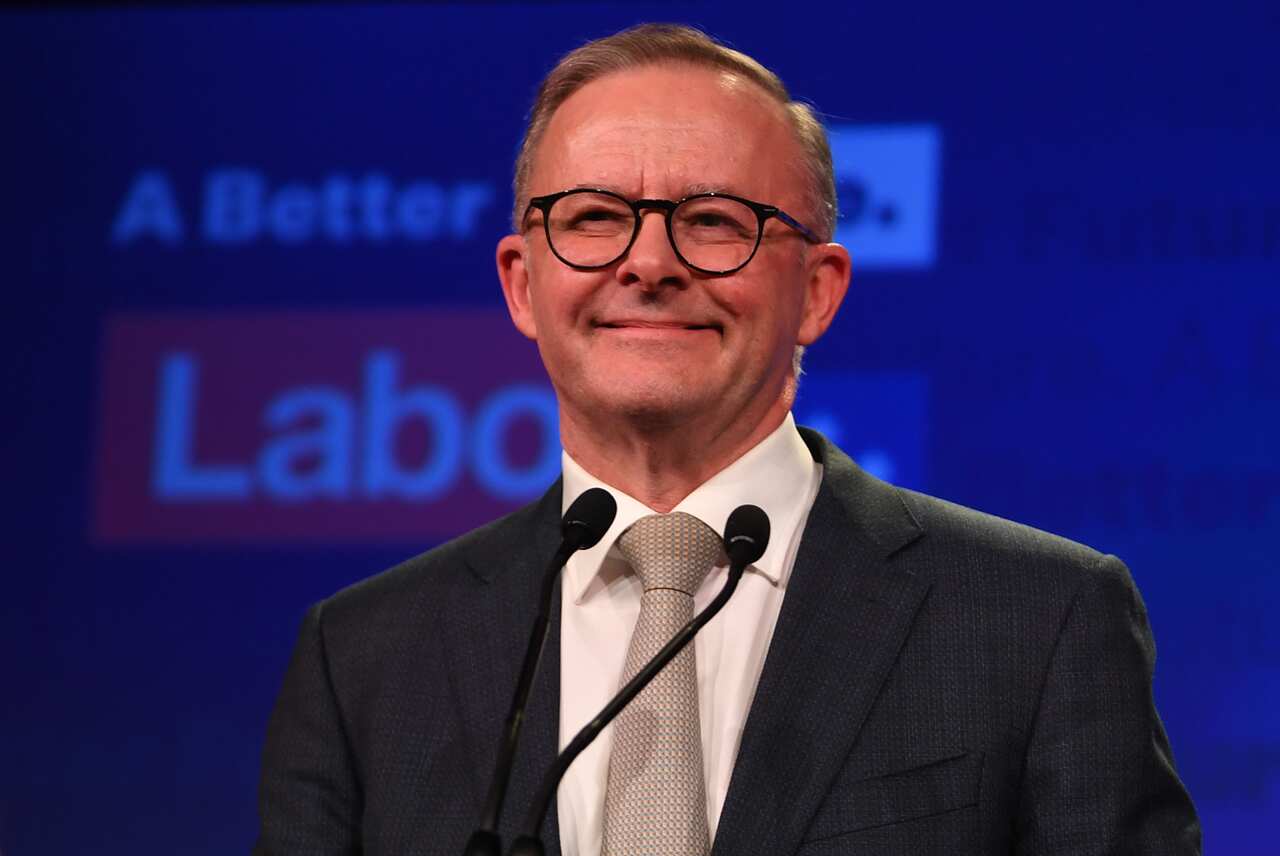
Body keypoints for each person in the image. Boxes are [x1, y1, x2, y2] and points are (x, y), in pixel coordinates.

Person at [255, 23, 1200, 856]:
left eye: (714, 222)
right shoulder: (365, 656)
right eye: (593, 218)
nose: (650, 263)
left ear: (819, 290)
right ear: (520, 284)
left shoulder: (1039, 618)